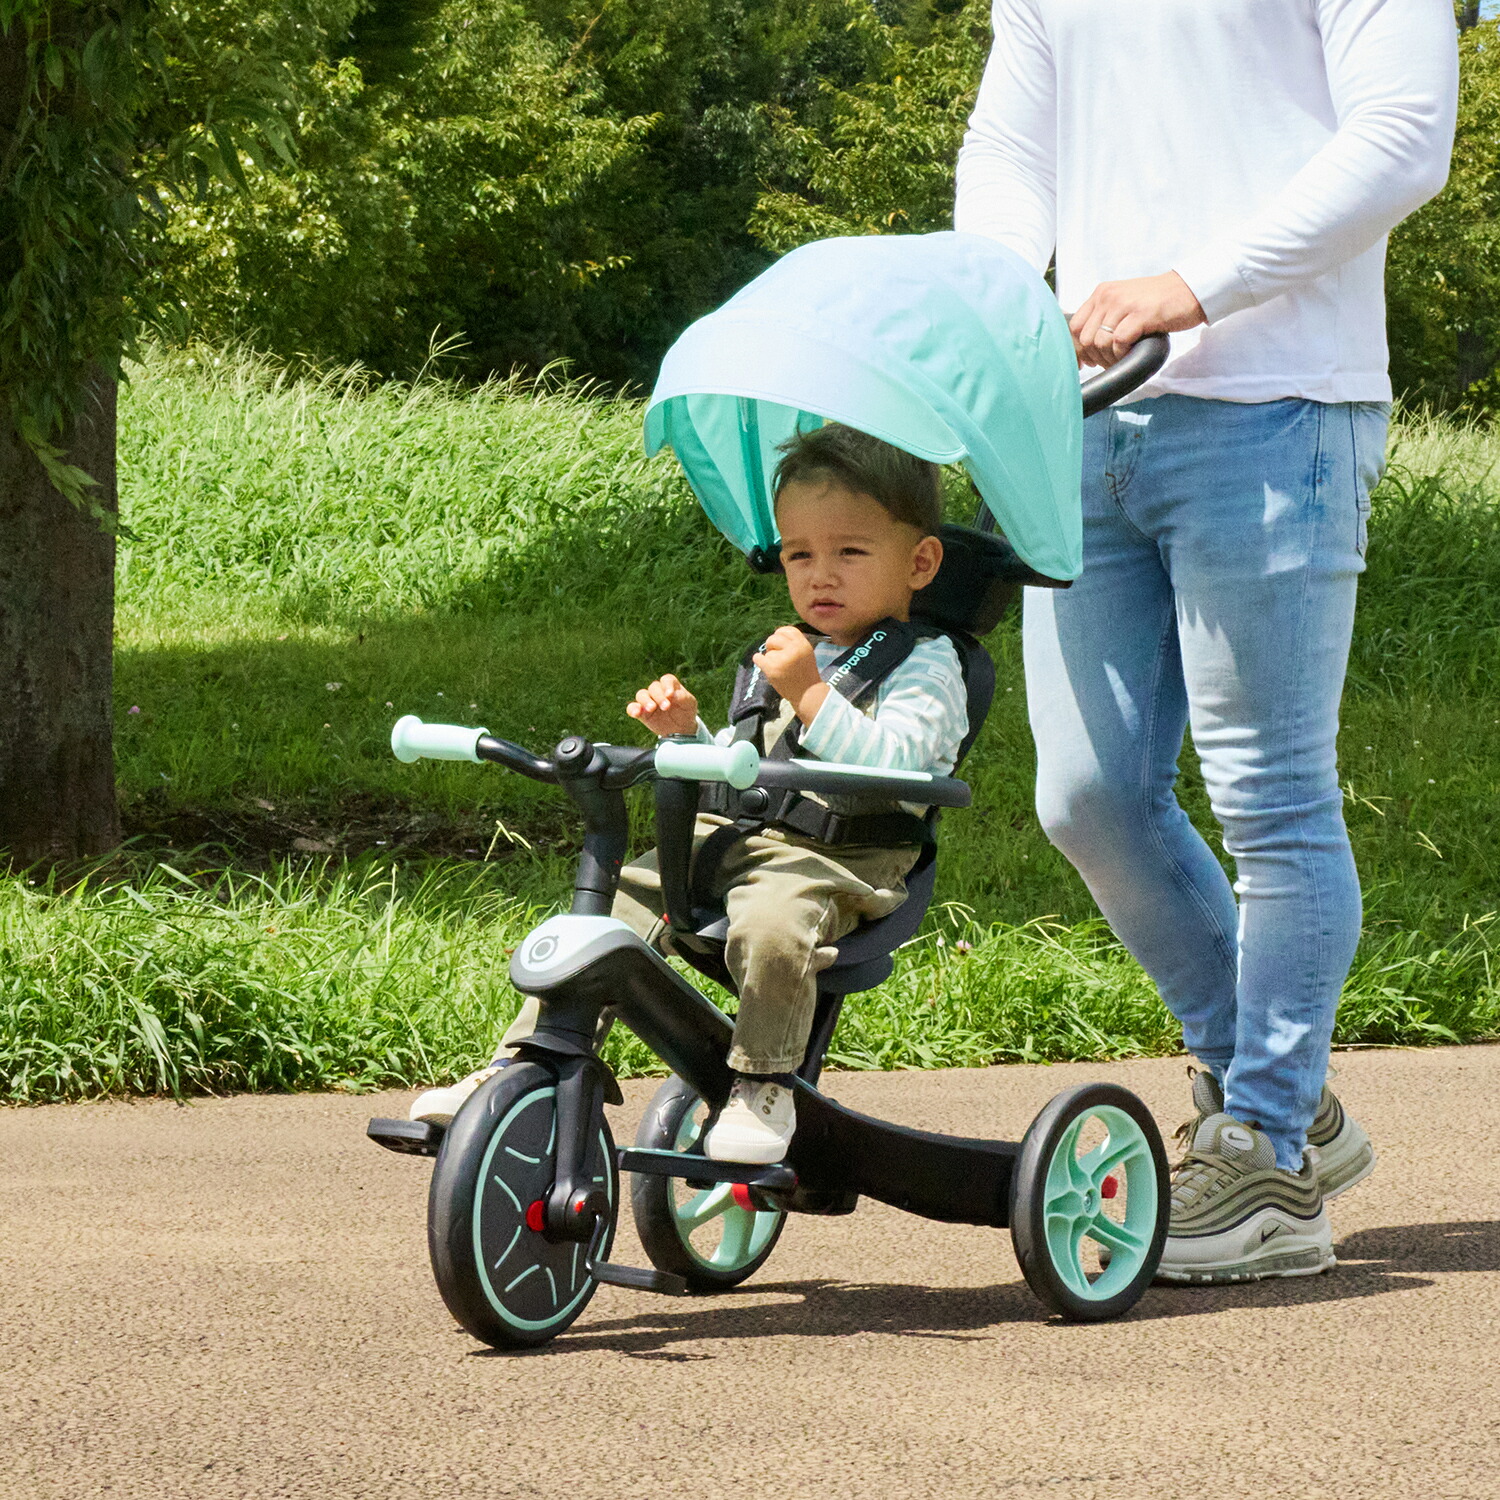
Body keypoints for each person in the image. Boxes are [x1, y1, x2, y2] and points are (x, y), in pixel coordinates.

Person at [955, 0, 1457, 1281]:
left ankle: (1269, 1153)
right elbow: (1011, 152)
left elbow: (1405, 136)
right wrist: (1000, 298)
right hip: (1084, 412)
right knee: (1088, 798)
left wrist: (1191, 285)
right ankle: (1280, 1098)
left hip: (1277, 406)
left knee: (1269, 797)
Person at [409, 423, 969, 1164]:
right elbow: (747, 763)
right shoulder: (786, 653)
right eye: (800, 554)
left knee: (775, 921)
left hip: (842, 859)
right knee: (609, 907)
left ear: (920, 562)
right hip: (737, 842)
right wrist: (688, 735)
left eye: (850, 553)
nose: (820, 576)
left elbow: (901, 766)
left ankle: (764, 1084)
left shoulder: (925, 665)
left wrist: (809, 693)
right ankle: (526, 1061)